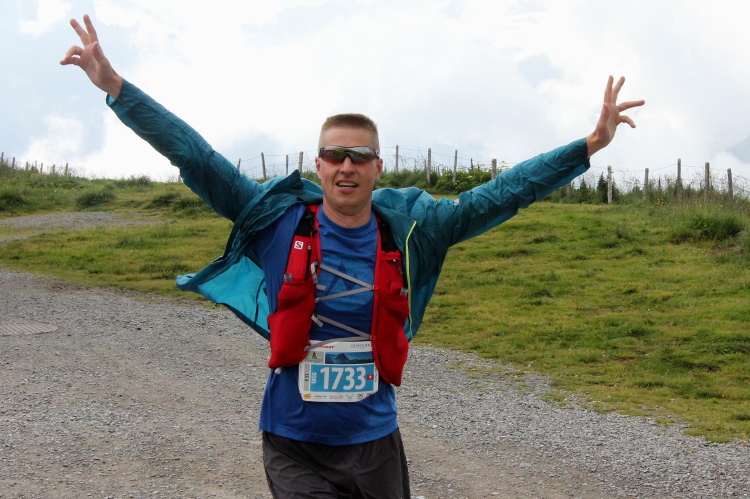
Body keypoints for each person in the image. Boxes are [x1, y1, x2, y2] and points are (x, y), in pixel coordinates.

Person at [61, 14, 644, 499]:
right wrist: (118, 89)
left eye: (359, 157)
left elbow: (502, 194)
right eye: (335, 155)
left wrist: (588, 146)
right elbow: (195, 156)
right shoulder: (276, 222)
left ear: (377, 167)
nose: (346, 166)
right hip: (292, 442)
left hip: (375, 443)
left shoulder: (414, 232)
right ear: (317, 165)